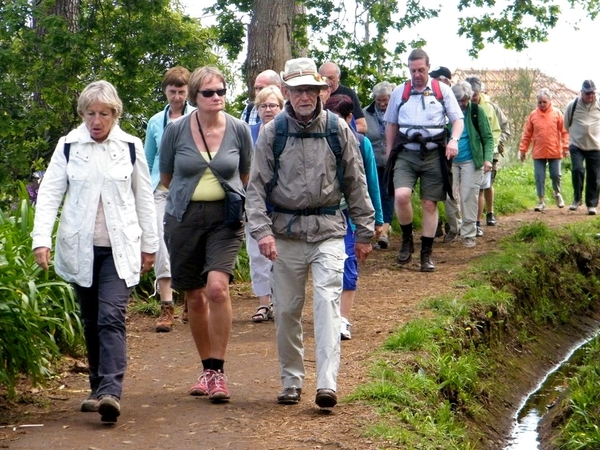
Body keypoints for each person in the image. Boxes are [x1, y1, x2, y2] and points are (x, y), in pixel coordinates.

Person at [246, 57, 374, 408]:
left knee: (327, 304)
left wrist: (364, 231)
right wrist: (262, 232)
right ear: (287, 91)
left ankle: (327, 384)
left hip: (329, 231)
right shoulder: (273, 132)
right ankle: (291, 380)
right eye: (298, 89)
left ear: (321, 91)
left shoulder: (337, 129)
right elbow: (255, 188)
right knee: (286, 310)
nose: (304, 96)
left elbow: (355, 181)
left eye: (311, 90)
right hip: (285, 233)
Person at [32, 80, 158, 423]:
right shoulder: (69, 146)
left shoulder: (130, 147)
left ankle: (110, 392)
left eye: (104, 113)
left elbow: (145, 199)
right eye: (90, 113)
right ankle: (96, 386)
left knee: (110, 316)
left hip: (120, 249)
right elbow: (49, 194)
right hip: (81, 248)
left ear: (115, 114)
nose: (96, 120)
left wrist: (151, 246)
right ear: (82, 114)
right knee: (90, 320)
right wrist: (40, 239)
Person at [159, 66, 252, 402]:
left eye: (222, 92)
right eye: (209, 93)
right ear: (195, 97)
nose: (217, 98)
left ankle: (219, 371)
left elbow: (244, 174)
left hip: (224, 220)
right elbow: (167, 175)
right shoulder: (176, 130)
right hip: (183, 218)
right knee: (195, 296)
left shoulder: (240, 129)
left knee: (217, 289)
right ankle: (206, 369)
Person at [384, 48, 464, 272]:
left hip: (433, 153)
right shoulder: (400, 91)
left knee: (430, 203)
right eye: (412, 70)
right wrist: (390, 152)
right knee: (401, 195)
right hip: (406, 152)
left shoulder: (442, 91)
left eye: (420, 70)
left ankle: (426, 253)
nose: (417, 74)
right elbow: (391, 124)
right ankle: (407, 239)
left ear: (428, 67)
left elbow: (457, 120)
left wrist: (454, 140)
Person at [324, 94, 383, 340]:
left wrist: (377, 219)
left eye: (339, 119)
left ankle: (343, 319)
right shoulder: (317, 140)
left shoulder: (361, 143)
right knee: (327, 269)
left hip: (350, 214)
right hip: (325, 214)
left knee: (348, 264)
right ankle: (329, 316)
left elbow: (371, 182)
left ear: (350, 118)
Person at [144, 66, 195, 332]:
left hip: (190, 190)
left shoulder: (197, 118)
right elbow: (147, 159)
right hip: (160, 191)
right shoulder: (155, 122)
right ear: (165, 91)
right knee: (161, 243)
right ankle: (166, 304)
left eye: (181, 92)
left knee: (188, 243)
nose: (176, 97)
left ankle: (191, 297)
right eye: (172, 91)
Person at [247, 85, 285, 322]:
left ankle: (283, 303)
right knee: (257, 255)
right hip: (255, 204)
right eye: (263, 105)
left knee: (283, 256)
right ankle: (263, 303)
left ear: (281, 108)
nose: (268, 110)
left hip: (283, 205)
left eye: (273, 105)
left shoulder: (288, 133)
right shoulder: (248, 133)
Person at [450, 82, 494, 247]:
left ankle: (468, 234)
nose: (462, 104)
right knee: (449, 196)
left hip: (471, 160)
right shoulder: (446, 111)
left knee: (468, 195)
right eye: (458, 101)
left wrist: (487, 158)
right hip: (449, 160)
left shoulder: (476, 111)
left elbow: (488, 137)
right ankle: (455, 228)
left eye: (465, 100)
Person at [465, 76, 504, 237]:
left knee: (482, 188)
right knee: (468, 190)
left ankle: (478, 222)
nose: (472, 98)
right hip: (467, 154)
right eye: (470, 95)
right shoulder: (461, 106)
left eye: (475, 95)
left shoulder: (489, 108)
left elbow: (495, 131)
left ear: (479, 92)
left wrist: (490, 150)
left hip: (487, 153)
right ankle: (467, 222)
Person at [519, 88, 569, 211]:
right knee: (539, 176)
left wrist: (565, 147)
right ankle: (541, 201)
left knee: (556, 174)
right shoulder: (533, 115)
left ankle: (557, 193)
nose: (542, 104)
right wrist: (522, 150)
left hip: (554, 150)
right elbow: (527, 134)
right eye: (539, 102)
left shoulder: (557, 113)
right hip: (538, 151)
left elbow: (564, 132)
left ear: (550, 101)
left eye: (544, 102)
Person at [429, 66, 463, 243]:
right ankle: (438, 226)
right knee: (431, 192)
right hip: (432, 152)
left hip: (453, 154)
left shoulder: (453, 99)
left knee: (451, 191)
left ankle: (456, 225)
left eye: (437, 79)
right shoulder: (428, 97)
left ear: (446, 81)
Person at [363, 81, 396, 249]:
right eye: (379, 101)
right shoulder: (365, 114)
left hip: (392, 162)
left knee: (389, 195)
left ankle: (384, 232)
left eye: (386, 100)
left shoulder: (398, 111)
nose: (382, 104)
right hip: (373, 162)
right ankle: (375, 229)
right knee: (373, 195)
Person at [563, 79, 600, 215]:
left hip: (595, 145)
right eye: (588, 93)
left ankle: (592, 204)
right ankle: (577, 198)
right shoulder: (572, 105)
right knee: (577, 170)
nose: (591, 96)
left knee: (594, 175)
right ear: (581, 92)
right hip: (576, 145)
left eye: (593, 93)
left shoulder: (598, 104)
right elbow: (566, 124)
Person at [318, 62, 368, 134]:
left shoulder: (348, 93)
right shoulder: (314, 94)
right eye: (323, 78)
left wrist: (340, 130)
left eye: (331, 78)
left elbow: (362, 126)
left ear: (338, 77)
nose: (327, 81)